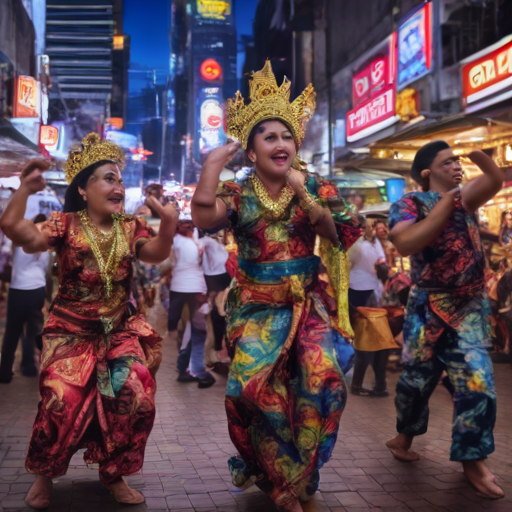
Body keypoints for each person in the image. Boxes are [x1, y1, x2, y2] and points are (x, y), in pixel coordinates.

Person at [191, 60, 361, 512]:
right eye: (269, 136)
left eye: (287, 135)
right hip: (255, 308)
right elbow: (205, 217)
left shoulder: (316, 185)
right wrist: (211, 165)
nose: (280, 143)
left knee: (323, 384)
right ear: (252, 152)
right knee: (250, 390)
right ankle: (275, 475)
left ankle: (301, 476)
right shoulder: (239, 191)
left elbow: (337, 232)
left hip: (307, 306)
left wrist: (303, 192)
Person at [0, 133, 178, 509]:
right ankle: (44, 475)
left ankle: (114, 474)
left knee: (135, 393)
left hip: (118, 333)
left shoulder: (130, 227)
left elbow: (156, 254)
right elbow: (19, 232)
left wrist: (168, 224)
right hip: (70, 333)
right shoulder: (64, 224)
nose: (118, 185)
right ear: (83, 189)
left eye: (119, 178)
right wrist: (23, 190)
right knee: (59, 399)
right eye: (108, 178)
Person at [386, 140, 505, 499]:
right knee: (415, 384)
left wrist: (477, 156)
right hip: (426, 309)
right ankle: (403, 437)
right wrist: (447, 202)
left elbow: (495, 180)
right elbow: (406, 243)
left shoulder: (465, 198)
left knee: (478, 383)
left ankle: (474, 459)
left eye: (457, 161)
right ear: (427, 173)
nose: (456, 166)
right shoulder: (407, 203)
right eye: (448, 161)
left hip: (469, 309)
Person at [0, 214, 49, 382]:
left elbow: (6, 257)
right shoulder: (44, 245)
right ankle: (30, 367)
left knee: (12, 331)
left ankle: (5, 371)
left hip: (18, 289)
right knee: (34, 331)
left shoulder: (18, 243)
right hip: (37, 289)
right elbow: (46, 270)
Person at [168, 219, 215, 388]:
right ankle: (188, 369)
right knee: (193, 332)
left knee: (190, 332)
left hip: (191, 290)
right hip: (192, 291)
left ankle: (186, 368)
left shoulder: (183, 243)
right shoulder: (186, 244)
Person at [348, 220, 392, 397]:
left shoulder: (373, 244)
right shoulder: (357, 244)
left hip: (372, 294)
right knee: (368, 342)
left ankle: (374, 385)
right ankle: (363, 384)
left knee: (375, 342)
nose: (371, 229)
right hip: (359, 293)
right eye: (367, 226)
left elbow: (381, 264)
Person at [199, 232, 231, 351]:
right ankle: (217, 344)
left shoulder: (222, 243)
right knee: (217, 312)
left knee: (222, 311)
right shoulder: (207, 241)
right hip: (214, 279)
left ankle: (221, 343)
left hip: (223, 278)